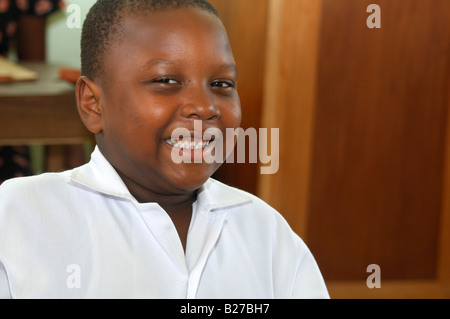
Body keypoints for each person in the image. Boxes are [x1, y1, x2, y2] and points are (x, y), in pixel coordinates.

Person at [0, 0, 329, 299]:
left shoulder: (266, 232)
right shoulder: (19, 218)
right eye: (166, 81)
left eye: (221, 84)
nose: (204, 106)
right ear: (93, 104)